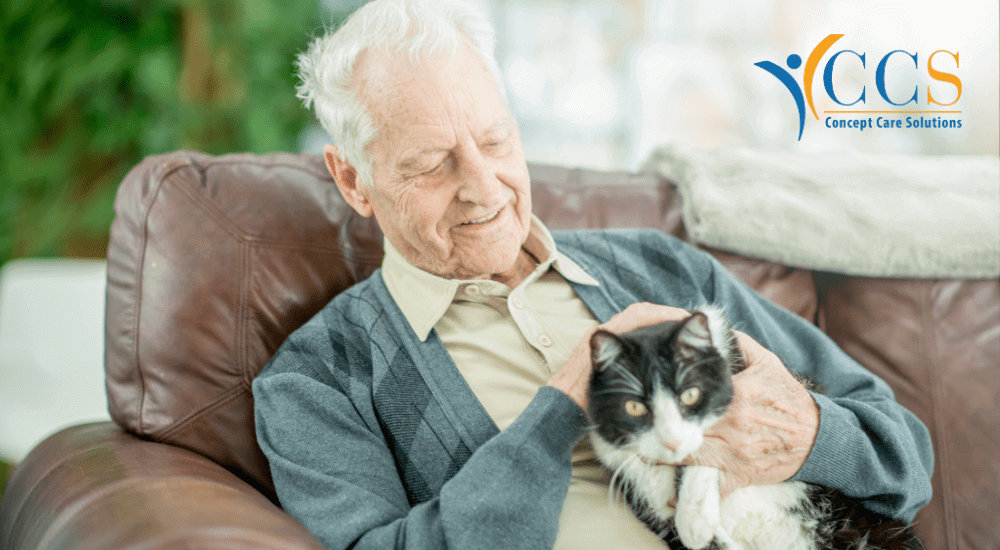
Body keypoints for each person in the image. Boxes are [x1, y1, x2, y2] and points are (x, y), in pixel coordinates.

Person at [252, 1, 933, 548]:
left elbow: (904, 454)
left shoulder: (658, 266)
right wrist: (565, 401)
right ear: (353, 180)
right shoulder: (320, 378)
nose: (483, 188)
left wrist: (808, 435)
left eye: (494, 141)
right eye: (431, 163)